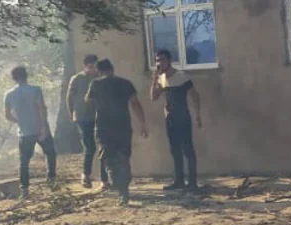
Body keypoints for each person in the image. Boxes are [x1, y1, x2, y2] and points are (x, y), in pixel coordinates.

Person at [85, 59, 149, 205]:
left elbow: (88, 101)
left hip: (103, 126)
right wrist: (143, 123)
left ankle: (119, 187)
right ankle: (124, 188)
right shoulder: (126, 83)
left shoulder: (95, 84)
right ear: (112, 69)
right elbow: (135, 103)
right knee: (123, 156)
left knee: (109, 157)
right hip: (123, 126)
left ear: (99, 71)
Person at [150, 48, 203, 193]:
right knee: (174, 150)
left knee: (187, 149)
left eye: (162, 60)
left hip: (183, 116)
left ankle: (192, 182)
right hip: (170, 118)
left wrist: (197, 114)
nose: (159, 63)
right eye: (157, 60)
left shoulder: (181, 76)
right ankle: (179, 181)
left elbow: (194, 95)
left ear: (169, 60)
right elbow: (153, 97)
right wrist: (154, 80)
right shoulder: (161, 78)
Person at [4, 66, 57, 198]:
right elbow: (42, 108)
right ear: (26, 75)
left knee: (24, 162)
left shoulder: (9, 94)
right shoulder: (35, 90)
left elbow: (7, 115)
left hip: (24, 132)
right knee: (50, 153)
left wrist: (20, 121)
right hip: (40, 128)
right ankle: (51, 181)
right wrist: (43, 127)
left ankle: (25, 189)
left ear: (13, 78)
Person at [67, 54, 109, 189]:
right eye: (90, 67)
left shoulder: (99, 78)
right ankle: (85, 175)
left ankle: (104, 179)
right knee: (90, 146)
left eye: (94, 67)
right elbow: (69, 97)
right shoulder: (77, 79)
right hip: (82, 117)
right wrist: (72, 113)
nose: (92, 70)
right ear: (85, 67)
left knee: (103, 147)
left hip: (99, 116)